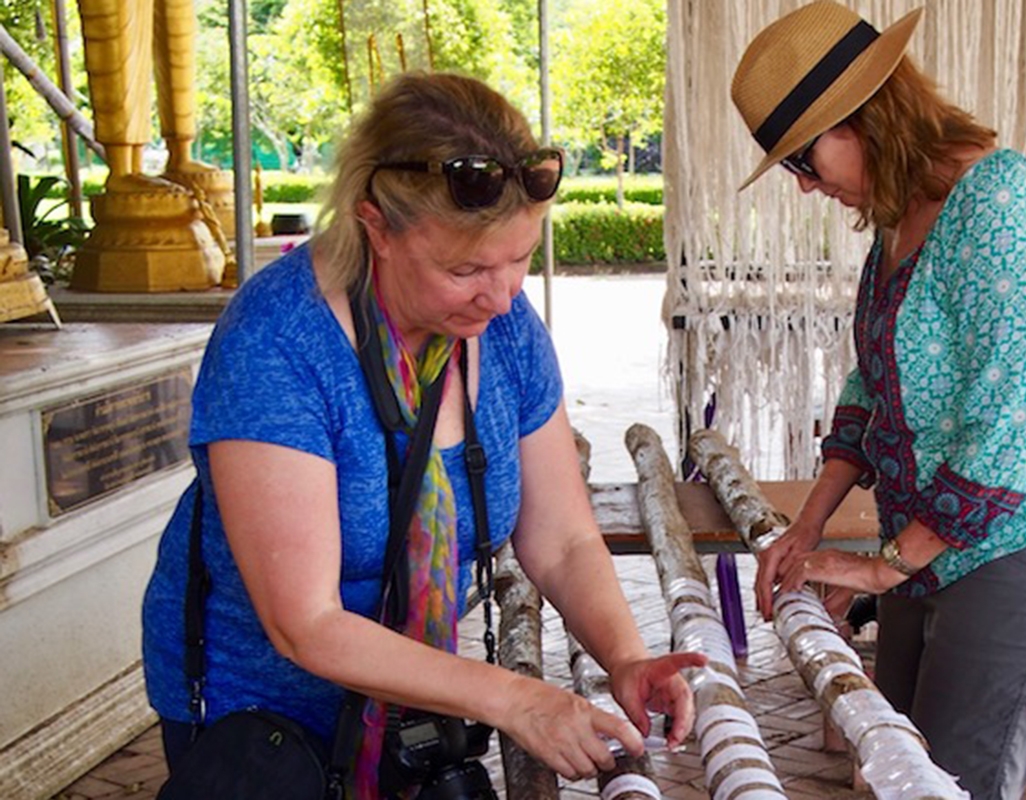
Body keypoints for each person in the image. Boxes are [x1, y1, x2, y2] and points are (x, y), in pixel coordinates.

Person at [142, 71, 704, 798]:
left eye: (518, 259)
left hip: (408, 712)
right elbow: (305, 622)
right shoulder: (278, 343)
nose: (501, 295)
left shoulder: (504, 331)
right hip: (265, 727)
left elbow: (561, 538)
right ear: (374, 225)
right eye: (465, 268)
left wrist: (627, 658)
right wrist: (515, 698)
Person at [732, 3, 1026, 798]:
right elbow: (870, 383)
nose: (809, 187)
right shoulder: (898, 220)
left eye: (804, 162)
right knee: (893, 767)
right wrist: (808, 530)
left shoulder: (996, 201)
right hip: (937, 539)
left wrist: (883, 568)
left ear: (864, 119)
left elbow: (1009, 419)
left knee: (953, 781)